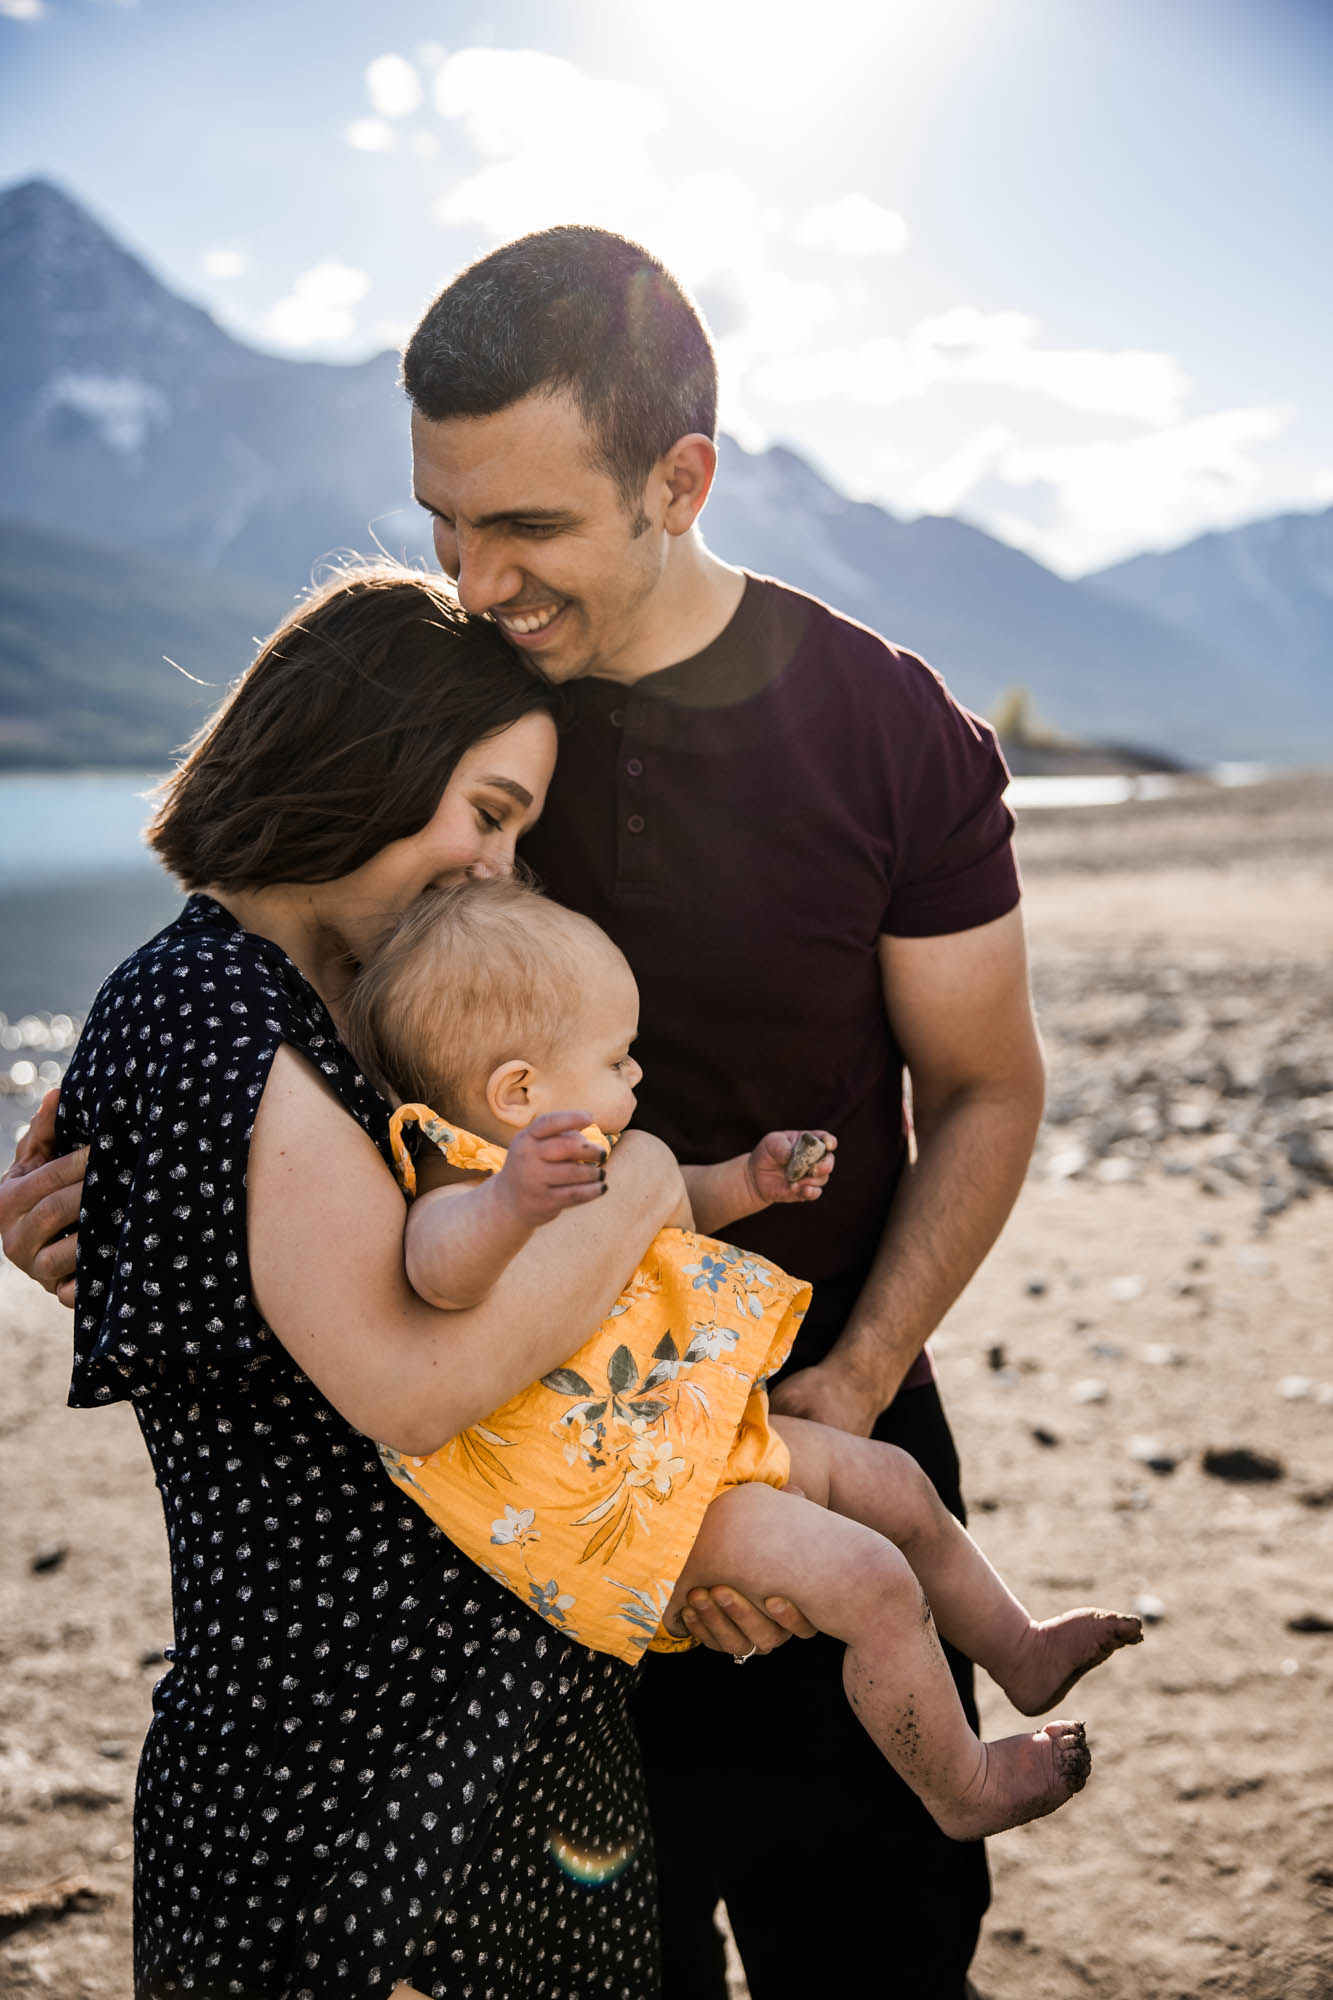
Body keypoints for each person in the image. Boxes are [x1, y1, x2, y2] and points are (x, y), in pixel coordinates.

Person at [4, 222, 1047, 1995]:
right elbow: (290, 1079)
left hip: (809, 1430)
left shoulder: (882, 729)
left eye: (528, 529)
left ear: (679, 480)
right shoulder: (449, 741)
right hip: (511, 1536)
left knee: (872, 1947)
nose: (477, 580)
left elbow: (983, 1087)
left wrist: (827, 1395)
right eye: (443, 525)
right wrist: (124, 1237)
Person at [35, 565, 723, 2000]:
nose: (495, 873)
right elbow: (410, 1391)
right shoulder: (216, 1010)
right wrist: (649, 1181)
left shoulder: (303, 1013)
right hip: (364, 1786)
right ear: (363, 750)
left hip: (458, 1748)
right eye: (488, 812)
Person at [341, 875, 1139, 1842]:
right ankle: (958, 1786)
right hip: (632, 1504)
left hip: (699, 1445)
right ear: (519, 1091)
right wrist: (507, 1201)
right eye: (616, 1058)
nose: (636, 1079)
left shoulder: (591, 1162)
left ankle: (1019, 1648)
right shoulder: (453, 1187)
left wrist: (749, 1182)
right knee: (870, 1580)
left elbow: (674, 1201)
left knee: (891, 1480)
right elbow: (439, 1274)